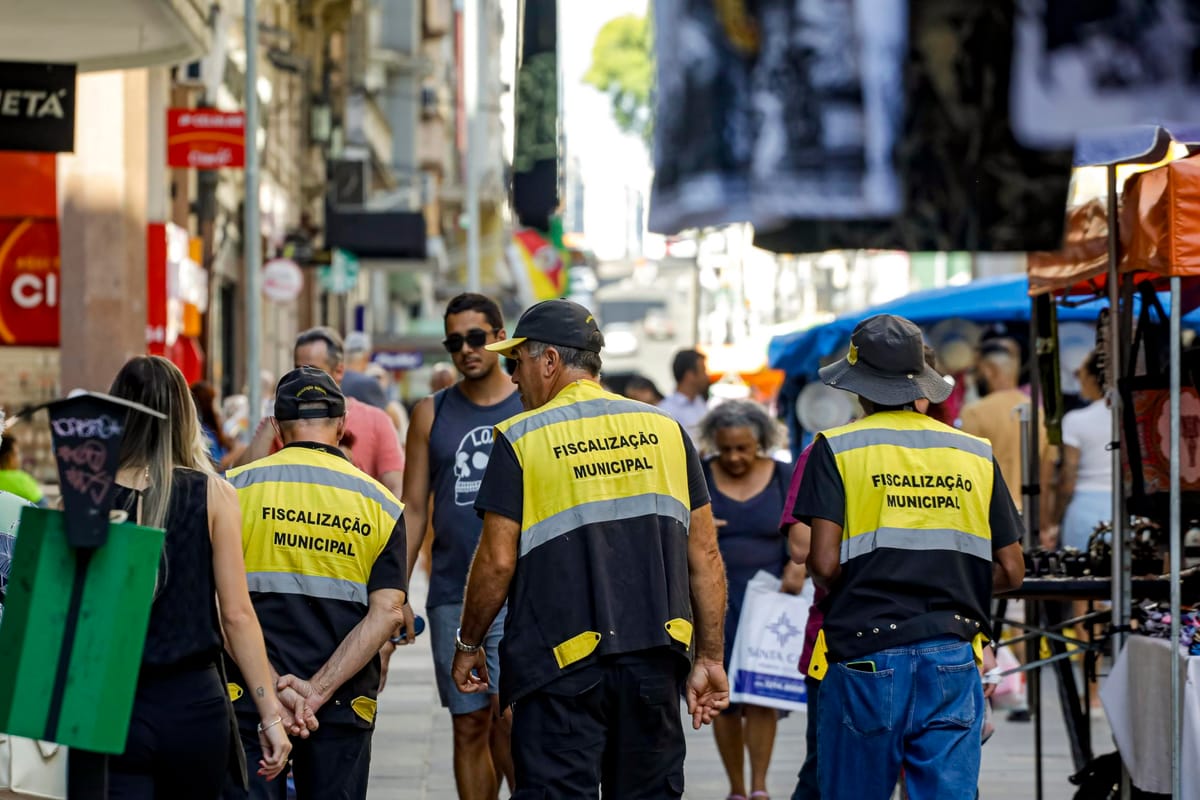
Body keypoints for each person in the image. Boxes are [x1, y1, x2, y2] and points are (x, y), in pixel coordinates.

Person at [450, 299, 730, 798]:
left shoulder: (521, 438)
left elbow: (496, 562)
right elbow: (704, 556)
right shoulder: (666, 430)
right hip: (653, 660)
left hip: (558, 670)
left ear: (549, 361)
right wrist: (709, 656)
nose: (512, 377)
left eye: (518, 362)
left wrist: (470, 643)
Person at [796, 314, 1026, 800]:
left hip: (865, 654)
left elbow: (823, 564)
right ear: (920, 383)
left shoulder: (835, 449)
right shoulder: (974, 453)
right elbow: (1012, 570)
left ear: (859, 387)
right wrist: (943, 579)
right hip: (952, 654)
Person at [69, 356, 290, 798]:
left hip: (106, 701)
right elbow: (236, 616)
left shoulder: (84, 495)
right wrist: (270, 715)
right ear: (184, 415)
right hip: (193, 703)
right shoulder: (214, 494)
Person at [223, 367, 407, 800]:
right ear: (342, 425)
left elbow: (218, 606)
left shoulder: (233, 491)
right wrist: (317, 692)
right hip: (343, 704)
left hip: (249, 698)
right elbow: (387, 614)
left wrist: (273, 693)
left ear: (276, 427)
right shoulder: (381, 506)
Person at [400, 292, 523, 799]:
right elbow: (413, 509)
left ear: (500, 337)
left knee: (511, 718)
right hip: (453, 589)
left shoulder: (530, 403)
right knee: (468, 722)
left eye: (476, 338)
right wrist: (394, 593)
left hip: (520, 588)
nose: (466, 350)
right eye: (455, 342)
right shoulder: (431, 413)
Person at [698, 400, 803, 800]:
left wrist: (797, 564)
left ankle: (759, 787)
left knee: (761, 695)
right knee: (722, 696)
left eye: (742, 448)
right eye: (725, 449)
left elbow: (804, 528)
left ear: (760, 442)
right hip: (715, 601)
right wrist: (699, 527)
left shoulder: (783, 476)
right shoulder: (700, 475)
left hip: (769, 604)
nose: (734, 458)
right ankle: (737, 789)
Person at [232, 327, 404, 498]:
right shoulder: (282, 420)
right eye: (297, 369)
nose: (303, 377)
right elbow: (241, 480)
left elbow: (396, 487)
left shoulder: (376, 421)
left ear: (339, 371)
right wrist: (273, 419)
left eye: (313, 370)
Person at [1043, 350, 1111, 552]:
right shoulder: (1127, 415)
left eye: (1080, 373)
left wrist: (1054, 520)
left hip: (1084, 509)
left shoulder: (1075, 421)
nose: (1078, 379)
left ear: (1092, 377)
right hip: (1121, 508)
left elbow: (1068, 478)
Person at [959, 338, 1037, 512]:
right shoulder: (1037, 412)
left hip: (991, 512)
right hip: (1030, 511)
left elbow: (968, 472)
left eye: (977, 371)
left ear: (989, 370)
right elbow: (1045, 475)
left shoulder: (974, 412)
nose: (975, 378)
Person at [191, 381, 246, 471]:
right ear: (207, 404)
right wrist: (237, 451)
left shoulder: (212, 428)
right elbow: (214, 466)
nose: (217, 408)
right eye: (214, 402)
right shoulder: (203, 432)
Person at [659, 348, 711, 444]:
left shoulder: (700, 401)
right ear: (690, 375)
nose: (707, 376)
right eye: (703, 371)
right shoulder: (667, 411)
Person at [342, 331, 389, 409]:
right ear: (366, 356)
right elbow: (388, 414)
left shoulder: (335, 379)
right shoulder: (368, 383)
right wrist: (381, 387)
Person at [0, 433, 45, 506]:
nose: (18, 459)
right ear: (9, 457)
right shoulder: (20, 479)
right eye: (16, 454)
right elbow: (42, 504)